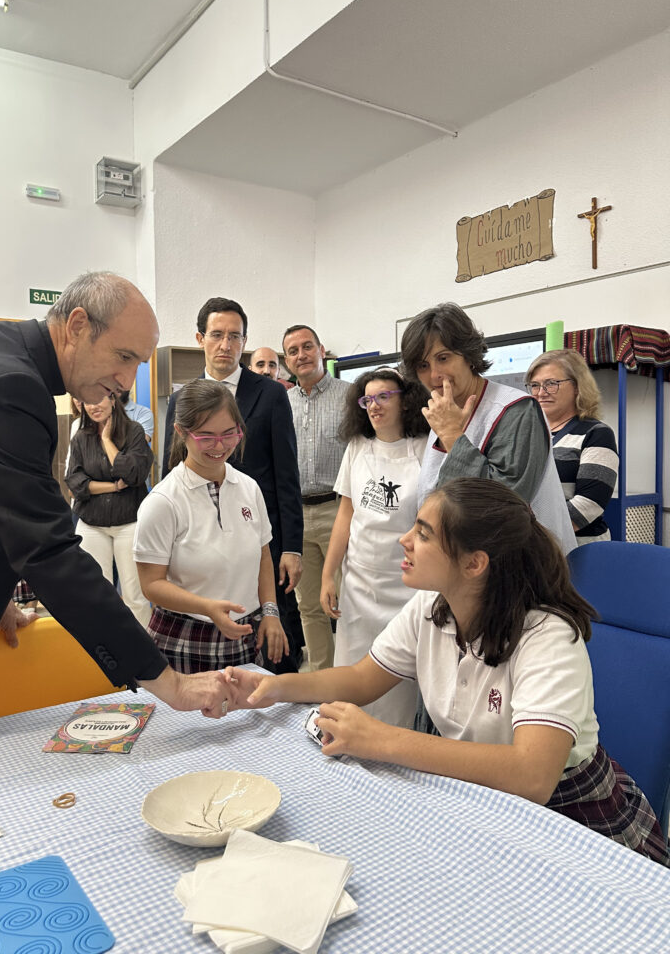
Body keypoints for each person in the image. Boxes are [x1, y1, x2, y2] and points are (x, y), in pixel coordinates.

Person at [227, 478, 669, 867]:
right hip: (482, 794)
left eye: (422, 533)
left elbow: (531, 776)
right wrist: (276, 686)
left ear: (475, 563)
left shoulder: (546, 635)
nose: (404, 540)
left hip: (571, 814)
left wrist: (380, 739)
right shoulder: (433, 606)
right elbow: (362, 679)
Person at [0, 271, 233, 731]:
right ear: (77, 325)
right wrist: (167, 681)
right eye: (123, 356)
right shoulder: (7, 386)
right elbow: (49, 549)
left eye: (138, 362)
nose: (126, 380)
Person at [162, 298, 304, 674]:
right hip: (198, 537)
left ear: (245, 342)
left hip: (259, 536)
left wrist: (291, 546)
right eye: (217, 335)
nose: (226, 345)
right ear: (200, 338)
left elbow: (287, 475)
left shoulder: (271, 395)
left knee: (272, 637)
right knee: (206, 630)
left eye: (235, 336)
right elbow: (169, 468)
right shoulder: (182, 399)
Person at [400, 303, 576, 554]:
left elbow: (504, 507)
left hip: (524, 566)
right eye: (422, 366)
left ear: (468, 356)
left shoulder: (516, 410)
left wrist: (452, 436)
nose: (435, 375)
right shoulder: (443, 410)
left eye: (443, 358)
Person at [136, 380, 288, 672]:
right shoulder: (163, 501)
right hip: (183, 638)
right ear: (181, 432)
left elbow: (263, 555)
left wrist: (270, 611)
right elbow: (151, 585)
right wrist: (207, 607)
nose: (220, 446)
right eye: (206, 437)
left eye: (229, 434)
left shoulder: (248, 488)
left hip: (244, 635)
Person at [320, 368, 429, 727]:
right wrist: (328, 575)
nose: (375, 406)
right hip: (360, 581)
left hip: (407, 586)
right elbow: (345, 515)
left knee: (400, 679)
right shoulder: (357, 447)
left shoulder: (426, 449)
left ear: (405, 400)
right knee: (352, 671)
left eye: (384, 397)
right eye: (368, 400)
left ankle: (393, 745)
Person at [283, 324, 352, 671]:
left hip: (339, 510)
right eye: (293, 351)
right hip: (296, 516)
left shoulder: (350, 395)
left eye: (307, 347)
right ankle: (323, 679)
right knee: (308, 605)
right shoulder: (282, 403)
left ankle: (354, 677)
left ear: (321, 350)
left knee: (347, 603)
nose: (301, 355)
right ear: (287, 361)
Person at [66, 392, 153, 627]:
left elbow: (134, 474)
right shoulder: (80, 437)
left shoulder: (134, 431)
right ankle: (108, 653)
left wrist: (106, 440)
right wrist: (113, 486)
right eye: (87, 401)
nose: (93, 405)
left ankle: (143, 655)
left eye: (99, 398)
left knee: (135, 596)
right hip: (91, 524)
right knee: (99, 595)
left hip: (129, 523)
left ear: (113, 400)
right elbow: (75, 483)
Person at [525, 349, 618, 544]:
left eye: (551, 384)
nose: (541, 393)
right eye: (535, 385)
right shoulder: (527, 433)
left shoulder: (597, 433)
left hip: (577, 546)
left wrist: (534, 533)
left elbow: (589, 504)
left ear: (578, 386)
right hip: (529, 544)